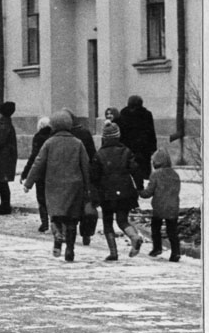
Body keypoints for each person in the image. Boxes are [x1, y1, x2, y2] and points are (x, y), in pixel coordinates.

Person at [23, 110, 90, 262]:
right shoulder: (77, 143)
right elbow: (85, 166)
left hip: (54, 185)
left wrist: (29, 182)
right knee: (72, 220)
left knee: (55, 216)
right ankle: (70, 250)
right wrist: (88, 186)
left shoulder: (49, 143)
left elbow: (38, 163)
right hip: (74, 186)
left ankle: (58, 238)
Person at [90, 121, 144, 261]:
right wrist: (139, 187)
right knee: (122, 220)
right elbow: (135, 170)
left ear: (104, 138)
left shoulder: (99, 155)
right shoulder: (126, 151)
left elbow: (94, 178)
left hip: (107, 194)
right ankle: (134, 236)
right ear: (118, 136)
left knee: (108, 223)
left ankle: (113, 252)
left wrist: (94, 196)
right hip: (125, 192)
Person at [139, 148, 182, 262]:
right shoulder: (175, 174)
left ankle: (157, 248)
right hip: (173, 206)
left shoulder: (156, 175)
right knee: (172, 231)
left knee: (155, 228)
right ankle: (175, 252)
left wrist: (139, 191)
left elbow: (148, 192)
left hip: (159, 206)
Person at [62, 108, 97, 244]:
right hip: (84, 174)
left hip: (69, 175)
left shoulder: (63, 135)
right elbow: (93, 154)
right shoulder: (84, 133)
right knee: (84, 205)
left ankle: (69, 233)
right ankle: (86, 234)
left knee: (70, 206)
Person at [117, 95, 157, 189]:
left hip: (128, 147)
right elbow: (151, 132)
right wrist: (153, 148)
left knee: (130, 169)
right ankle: (142, 187)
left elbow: (121, 133)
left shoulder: (123, 114)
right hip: (143, 148)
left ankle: (132, 186)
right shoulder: (146, 114)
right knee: (143, 169)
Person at [21, 116, 52, 232]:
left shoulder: (38, 137)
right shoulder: (53, 136)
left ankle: (44, 223)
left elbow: (34, 157)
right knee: (52, 198)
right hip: (52, 171)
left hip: (41, 172)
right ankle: (54, 221)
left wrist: (25, 173)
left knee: (41, 198)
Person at [0, 101, 18, 215]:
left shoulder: (3, 125)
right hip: (5, 157)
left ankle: (5, 206)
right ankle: (4, 205)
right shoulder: (6, 124)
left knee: (2, 182)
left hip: (2, 158)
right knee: (2, 182)